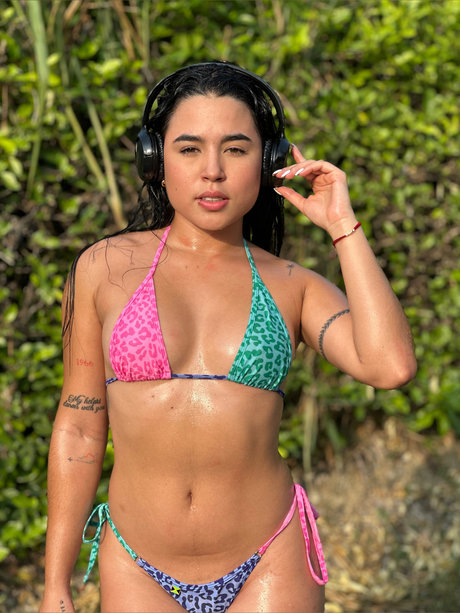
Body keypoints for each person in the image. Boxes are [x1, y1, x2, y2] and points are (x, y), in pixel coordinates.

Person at [39, 61, 416, 613]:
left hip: (269, 557)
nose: (212, 171)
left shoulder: (292, 285)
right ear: (155, 161)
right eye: (189, 149)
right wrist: (55, 585)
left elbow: (390, 366)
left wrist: (343, 226)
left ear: (265, 164)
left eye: (236, 150)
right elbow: (77, 429)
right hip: (137, 563)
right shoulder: (103, 268)